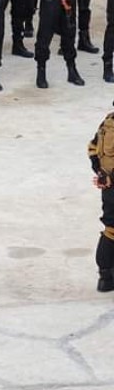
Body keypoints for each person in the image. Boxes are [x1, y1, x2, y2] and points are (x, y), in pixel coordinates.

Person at [87, 111, 114, 293]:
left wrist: (102, 174)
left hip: (108, 187)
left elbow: (92, 148)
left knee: (111, 229)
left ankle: (105, 277)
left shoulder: (108, 120)